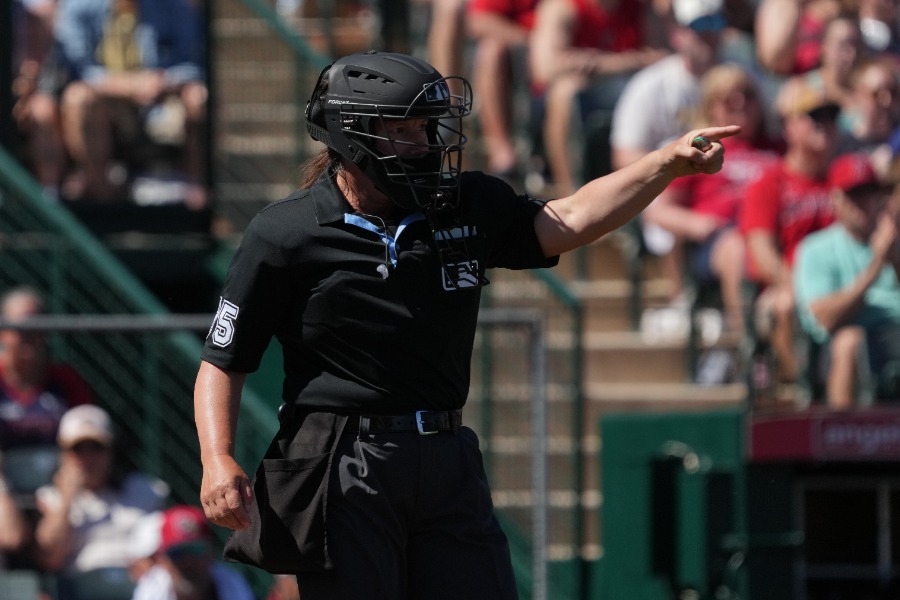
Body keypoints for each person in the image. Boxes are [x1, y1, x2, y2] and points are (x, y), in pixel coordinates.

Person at [193, 49, 737, 599]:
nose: (425, 144)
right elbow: (223, 361)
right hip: (345, 462)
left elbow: (569, 219)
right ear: (351, 136)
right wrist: (217, 459)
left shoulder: (465, 202)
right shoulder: (283, 232)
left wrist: (665, 163)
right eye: (401, 130)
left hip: (448, 454)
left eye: (427, 127)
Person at [643, 63, 781, 336]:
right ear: (712, 107)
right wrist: (699, 224)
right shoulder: (701, 149)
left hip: (772, 234)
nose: (740, 104)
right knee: (736, 247)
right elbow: (657, 212)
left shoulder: (779, 148)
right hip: (718, 242)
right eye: (729, 99)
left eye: (748, 95)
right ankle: (747, 342)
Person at [609, 0, 727, 311]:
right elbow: (624, 155)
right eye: (700, 26)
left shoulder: (739, 77)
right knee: (661, 199)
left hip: (726, 184)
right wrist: (673, 166)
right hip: (671, 189)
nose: (709, 35)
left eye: (715, 24)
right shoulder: (652, 84)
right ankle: (680, 302)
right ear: (677, 34)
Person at [54, 0, 208, 206]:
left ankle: (197, 197)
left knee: (199, 96)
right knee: (78, 97)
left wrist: (163, 81)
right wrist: (128, 85)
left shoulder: (175, 7)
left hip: (161, 102)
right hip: (107, 104)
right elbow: (78, 69)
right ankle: (102, 197)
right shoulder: (77, 7)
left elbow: (194, 61)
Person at [740, 76, 840, 389]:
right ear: (789, 127)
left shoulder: (848, 180)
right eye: (813, 117)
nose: (823, 124)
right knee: (783, 305)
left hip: (843, 286)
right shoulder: (769, 183)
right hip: (787, 287)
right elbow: (763, 256)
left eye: (830, 116)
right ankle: (799, 390)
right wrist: (806, 287)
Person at [528, 0, 669, 196]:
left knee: (662, 85)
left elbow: (661, 58)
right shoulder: (563, 7)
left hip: (629, 88)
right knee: (564, 91)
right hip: (579, 97)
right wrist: (630, 60)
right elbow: (544, 67)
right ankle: (570, 194)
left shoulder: (642, 7)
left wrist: (595, 62)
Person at [794, 152, 900, 409]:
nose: (865, 202)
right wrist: (876, 266)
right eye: (855, 194)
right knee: (850, 341)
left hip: (894, 333)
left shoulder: (894, 241)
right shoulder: (815, 249)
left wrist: (895, 258)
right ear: (836, 200)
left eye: (870, 193)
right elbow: (824, 318)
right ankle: (843, 438)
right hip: (837, 346)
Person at [33, 404, 169, 575]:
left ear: (111, 451)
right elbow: (49, 557)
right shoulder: (51, 498)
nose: (88, 459)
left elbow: (164, 549)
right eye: (78, 449)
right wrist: (67, 499)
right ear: (63, 455)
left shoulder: (144, 489)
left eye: (96, 448)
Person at [0, 286, 93, 451]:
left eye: (37, 327)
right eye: (21, 329)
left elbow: (89, 433)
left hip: (57, 473)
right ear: (3, 332)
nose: (29, 336)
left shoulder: (65, 380)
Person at [465, 0, 539, 179]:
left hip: (578, 58)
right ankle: (502, 152)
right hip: (526, 52)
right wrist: (536, 43)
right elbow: (479, 20)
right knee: (492, 52)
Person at [131, 505, 255, 600]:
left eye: (195, 550)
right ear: (162, 559)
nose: (187, 561)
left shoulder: (234, 587)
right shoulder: (150, 592)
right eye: (176, 553)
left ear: (211, 551)